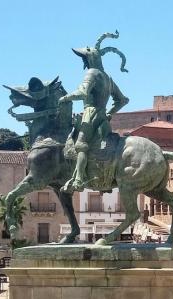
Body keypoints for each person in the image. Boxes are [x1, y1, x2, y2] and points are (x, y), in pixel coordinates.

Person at [60, 31, 129, 192]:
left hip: (89, 114)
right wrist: (109, 113)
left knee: (81, 146)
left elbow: (82, 92)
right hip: (102, 117)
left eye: (84, 58)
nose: (83, 61)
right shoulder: (108, 78)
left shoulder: (91, 73)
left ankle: (78, 179)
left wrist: (64, 99)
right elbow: (122, 100)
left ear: (89, 58)